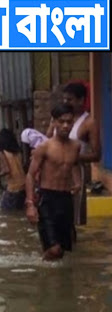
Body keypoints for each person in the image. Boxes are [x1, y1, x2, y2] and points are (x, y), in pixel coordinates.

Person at [25, 104, 82, 261]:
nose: (65, 126)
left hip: (65, 198)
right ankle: (41, 266)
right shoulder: (44, 147)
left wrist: (77, 183)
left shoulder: (75, 146)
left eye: (69, 122)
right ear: (54, 122)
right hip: (47, 199)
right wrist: (30, 204)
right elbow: (30, 175)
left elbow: (75, 164)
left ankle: (55, 279)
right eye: (61, 121)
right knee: (55, 250)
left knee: (64, 249)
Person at [46, 82, 101, 226]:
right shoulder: (58, 118)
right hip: (53, 172)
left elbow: (96, 155)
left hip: (76, 172)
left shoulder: (89, 123)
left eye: (69, 99)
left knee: (73, 219)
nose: (66, 102)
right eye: (64, 99)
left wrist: (72, 156)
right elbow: (47, 139)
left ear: (81, 100)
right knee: (52, 215)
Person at [0, 129, 26, 211]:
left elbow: (6, 170)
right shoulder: (17, 152)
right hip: (23, 188)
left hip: (13, 189)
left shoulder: (1, 152)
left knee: (4, 214)